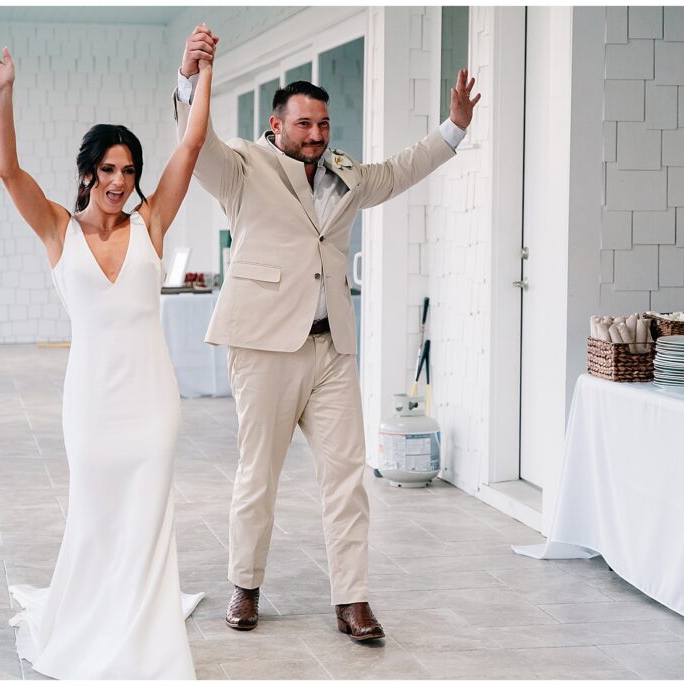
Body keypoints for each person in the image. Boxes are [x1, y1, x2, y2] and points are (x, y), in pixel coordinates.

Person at [173, 26, 479, 641]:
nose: (316, 135)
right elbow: (193, 141)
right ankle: (246, 587)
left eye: (323, 124)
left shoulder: (342, 174)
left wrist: (454, 129)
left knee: (347, 475)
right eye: (304, 125)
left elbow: (397, 171)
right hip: (263, 347)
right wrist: (190, 77)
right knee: (257, 475)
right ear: (276, 124)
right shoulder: (241, 166)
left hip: (331, 347)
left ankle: (352, 600)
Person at [0, 34, 215, 678]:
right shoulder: (57, 228)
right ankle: (92, 620)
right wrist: (4, 94)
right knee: (99, 515)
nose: (120, 181)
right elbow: (7, 173)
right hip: (90, 403)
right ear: (88, 173)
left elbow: (189, 145)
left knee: (148, 519)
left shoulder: (152, 224)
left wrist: (202, 72)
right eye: (109, 169)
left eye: (129, 170)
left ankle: (145, 634)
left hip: (152, 399)